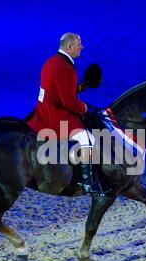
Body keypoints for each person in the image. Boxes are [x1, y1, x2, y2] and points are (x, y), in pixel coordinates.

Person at [27, 32, 101, 195]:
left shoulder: (51, 61)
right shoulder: (65, 67)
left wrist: (79, 87)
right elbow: (68, 102)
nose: (81, 47)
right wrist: (84, 108)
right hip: (56, 114)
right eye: (78, 44)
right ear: (69, 47)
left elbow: (56, 89)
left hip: (42, 110)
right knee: (86, 138)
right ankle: (88, 184)